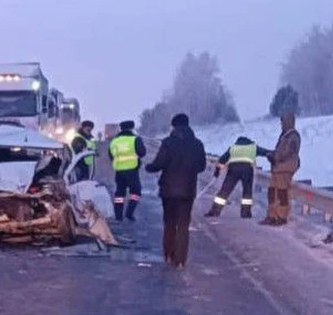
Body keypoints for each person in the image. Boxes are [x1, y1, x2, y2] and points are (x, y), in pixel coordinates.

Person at [145, 113, 207, 269]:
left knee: (169, 223)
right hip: (188, 190)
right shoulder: (197, 144)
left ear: (173, 126)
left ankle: (169, 254)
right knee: (184, 225)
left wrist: (148, 167)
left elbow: (159, 163)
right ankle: (181, 259)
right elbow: (201, 166)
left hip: (168, 191)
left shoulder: (168, 143)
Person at [203, 136, 271, 218]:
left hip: (233, 169)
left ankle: (214, 211)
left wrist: (217, 172)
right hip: (247, 169)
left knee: (224, 191)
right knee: (247, 192)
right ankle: (245, 213)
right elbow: (266, 152)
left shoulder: (233, 147)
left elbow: (222, 160)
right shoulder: (253, 147)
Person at [262, 111, 301, 226]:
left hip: (285, 168)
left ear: (289, 122)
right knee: (272, 192)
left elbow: (288, 152)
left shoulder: (293, 136)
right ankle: (272, 215)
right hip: (277, 168)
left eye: (283, 121)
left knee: (282, 192)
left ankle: (282, 216)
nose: (281, 124)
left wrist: (275, 157)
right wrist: (273, 156)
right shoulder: (285, 135)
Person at [108, 120, 146, 221]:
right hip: (132, 170)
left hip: (119, 171)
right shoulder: (135, 139)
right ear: (131, 128)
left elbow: (111, 155)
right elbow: (142, 152)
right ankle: (129, 213)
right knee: (135, 192)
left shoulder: (114, 141)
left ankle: (118, 216)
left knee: (119, 193)